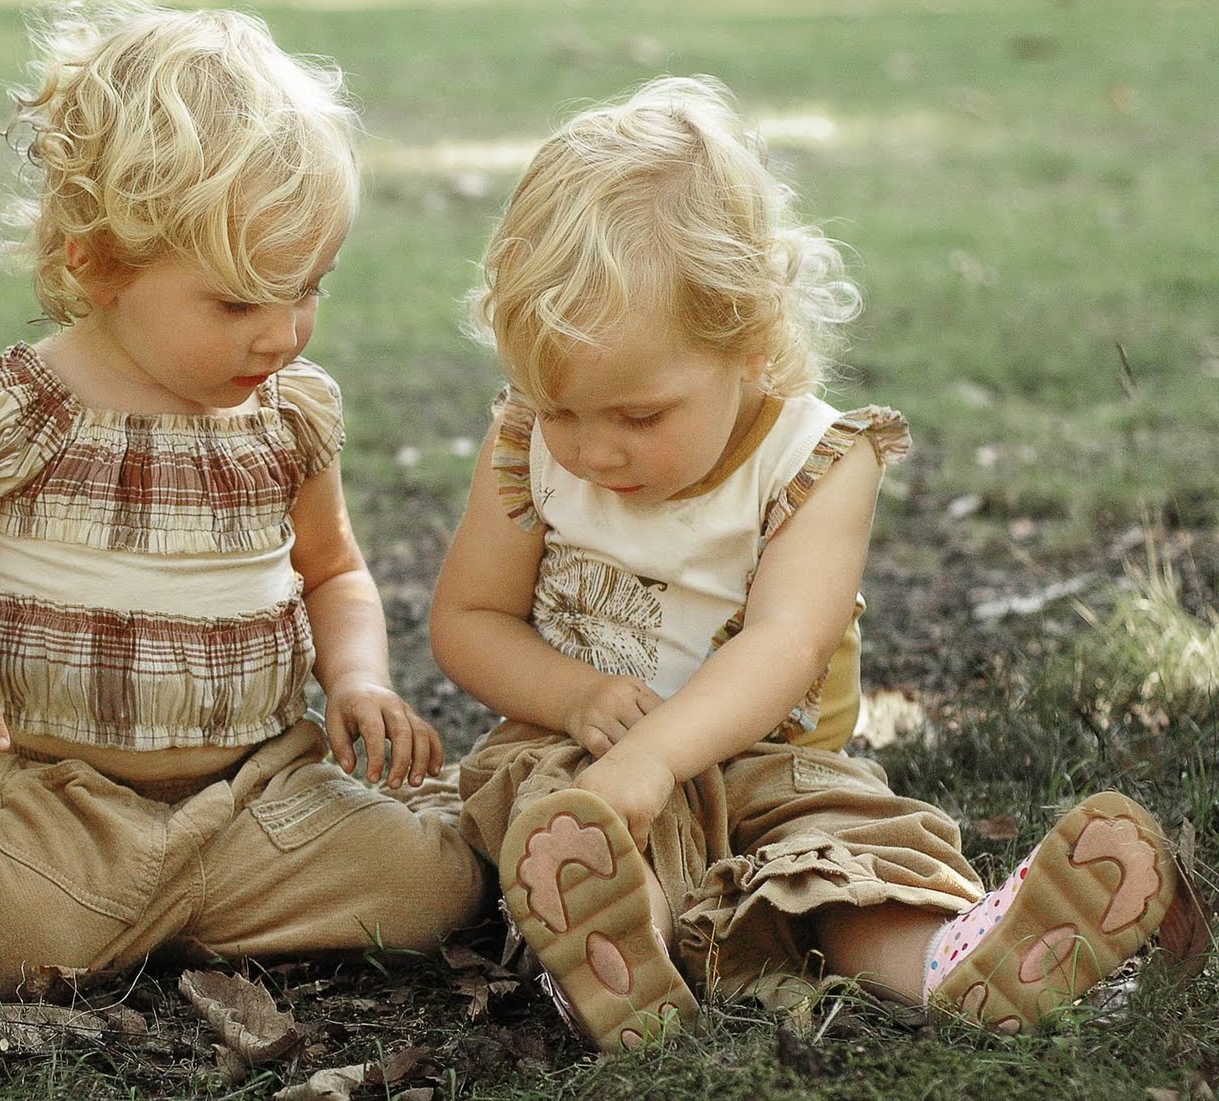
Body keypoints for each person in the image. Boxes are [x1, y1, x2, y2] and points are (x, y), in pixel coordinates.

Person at [430, 76, 1185, 1052]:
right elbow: (468, 620)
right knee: (576, 827)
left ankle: (952, 963)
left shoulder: (819, 461)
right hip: (585, 756)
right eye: (559, 408)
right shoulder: (526, 441)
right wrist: (577, 701)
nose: (592, 450)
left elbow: (786, 645)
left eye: (636, 416)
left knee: (846, 856)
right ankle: (614, 958)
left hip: (779, 763)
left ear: (745, 340)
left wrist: (664, 754)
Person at [0, 3, 486, 1000]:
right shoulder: (14, 410)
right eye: (239, 302)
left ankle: (172, 906)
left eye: (308, 288)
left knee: (433, 887)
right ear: (98, 265)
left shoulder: (289, 416)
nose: (283, 335)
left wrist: (359, 678)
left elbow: (335, 570)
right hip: (69, 794)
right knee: (3, 938)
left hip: (259, 786)